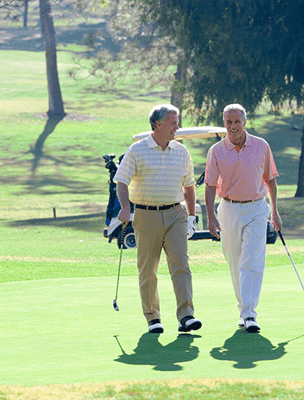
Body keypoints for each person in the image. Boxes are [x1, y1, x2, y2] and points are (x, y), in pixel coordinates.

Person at [114, 104, 201, 334]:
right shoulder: (137, 150)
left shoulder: (182, 151)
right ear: (157, 124)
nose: (177, 127)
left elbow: (189, 186)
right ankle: (153, 318)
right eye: (173, 123)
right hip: (146, 214)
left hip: (175, 214)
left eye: (177, 121)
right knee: (148, 269)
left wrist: (191, 216)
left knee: (181, 265)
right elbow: (121, 181)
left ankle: (186, 316)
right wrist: (124, 207)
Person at [205, 103, 282, 333]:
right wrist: (210, 216)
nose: (233, 126)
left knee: (252, 259)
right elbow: (209, 185)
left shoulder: (261, 146)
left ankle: (250, 314)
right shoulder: (216, 151)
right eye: (228, 122)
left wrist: (275, 211)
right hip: (229, 209)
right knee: (235, 261)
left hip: (257, 208)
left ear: (244, 122)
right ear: (224, 123)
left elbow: (271, 180)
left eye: (237, 121)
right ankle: (243, 308)